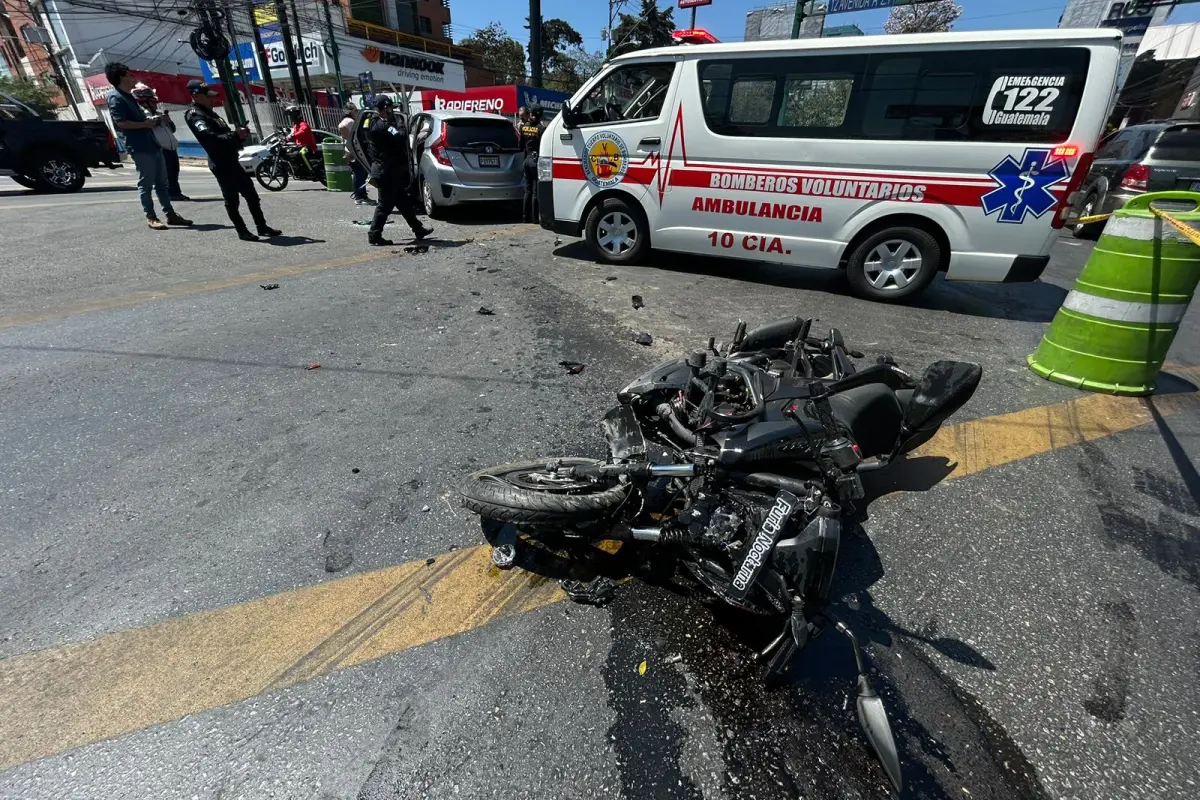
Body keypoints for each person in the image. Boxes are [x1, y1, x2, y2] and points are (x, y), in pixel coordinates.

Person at [183, 80, 281, 242]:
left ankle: (261, 226)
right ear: (195, 96)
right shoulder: (195, 115)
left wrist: (239, 136)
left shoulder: (211, 114)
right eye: (207, 97)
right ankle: (242, 231)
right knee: (232, 200)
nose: (212, 100)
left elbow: (225, 136)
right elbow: (210, 139)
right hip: (221, 163)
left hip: (232, 160)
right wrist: (235, 136)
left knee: (251, 194)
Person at [104, 62, 192, 230]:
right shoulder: (115, 97)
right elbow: (121, 123)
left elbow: (141, 120)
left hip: (153, 144)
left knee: (162, 183)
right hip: (140, 147)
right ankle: (151, 217)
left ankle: (171, 215)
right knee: (145, 184)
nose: (133, 78)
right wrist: (146, 124)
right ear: (122, 78)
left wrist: (157, 120)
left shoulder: (129, 96)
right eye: (129, 75)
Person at [366, 95, 432, 247]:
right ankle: (374, 235)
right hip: (387, 171)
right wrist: (401, 125)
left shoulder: (372, 122)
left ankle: (418, 229)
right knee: (384, 205)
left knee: (403, 203)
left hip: (388, 170)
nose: (391, 112)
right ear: (383, 108)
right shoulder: (381, 125)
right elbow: (400, 136)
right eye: (389, 108)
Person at [131, 82, 188, 201]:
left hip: (171, 147)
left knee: (174, 171)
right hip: (160, 149)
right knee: (165, 173)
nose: (155, 105)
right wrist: (158, 120)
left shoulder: (158, 114)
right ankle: (168, 193)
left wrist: (168, 121)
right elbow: (147, 125)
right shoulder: (142, 116)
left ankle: (175, 192)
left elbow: (172, 130)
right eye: (152, 102)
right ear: (144, 102)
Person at [518, 103, 547, 224]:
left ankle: (525, 217)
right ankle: (535, 218)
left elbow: (520, 146)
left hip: (526, 160)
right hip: (536, 161)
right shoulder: (541, 129)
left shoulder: (524, 127)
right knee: (535, 191)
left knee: (527, 190)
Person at [338, 106, 372, 205]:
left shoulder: (344, 121)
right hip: (355, 151)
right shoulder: (350, 122)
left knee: (358, 174)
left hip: (349, 150)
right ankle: (360, 196)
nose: (357, 113)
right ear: (351, 111)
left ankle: (360, 195)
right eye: (355, 110)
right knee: (361, 174)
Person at [286, 105, 318, 174]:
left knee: (302, 153)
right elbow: (292, 135)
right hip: (300, 146)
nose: (291, 118)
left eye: (291, 116)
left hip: (308, 147)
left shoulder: (303, 124)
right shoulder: (295, 126)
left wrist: (293, 135)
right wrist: (287, 138)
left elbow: (303, 130)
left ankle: (311, 170)